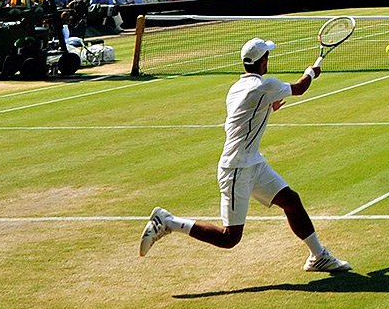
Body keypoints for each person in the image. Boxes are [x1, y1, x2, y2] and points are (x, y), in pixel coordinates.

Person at [138, 36, 349, 273]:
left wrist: (270, 107)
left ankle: (318, 256)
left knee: (291, 200)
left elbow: (247, 113)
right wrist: (311, 72)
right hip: (237, 167)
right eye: (267, 55)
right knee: (229, 238)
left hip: (253, 163)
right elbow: (299, 88)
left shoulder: (236, 88)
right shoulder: (266, 86)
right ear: (263, 61)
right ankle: (168, 222)